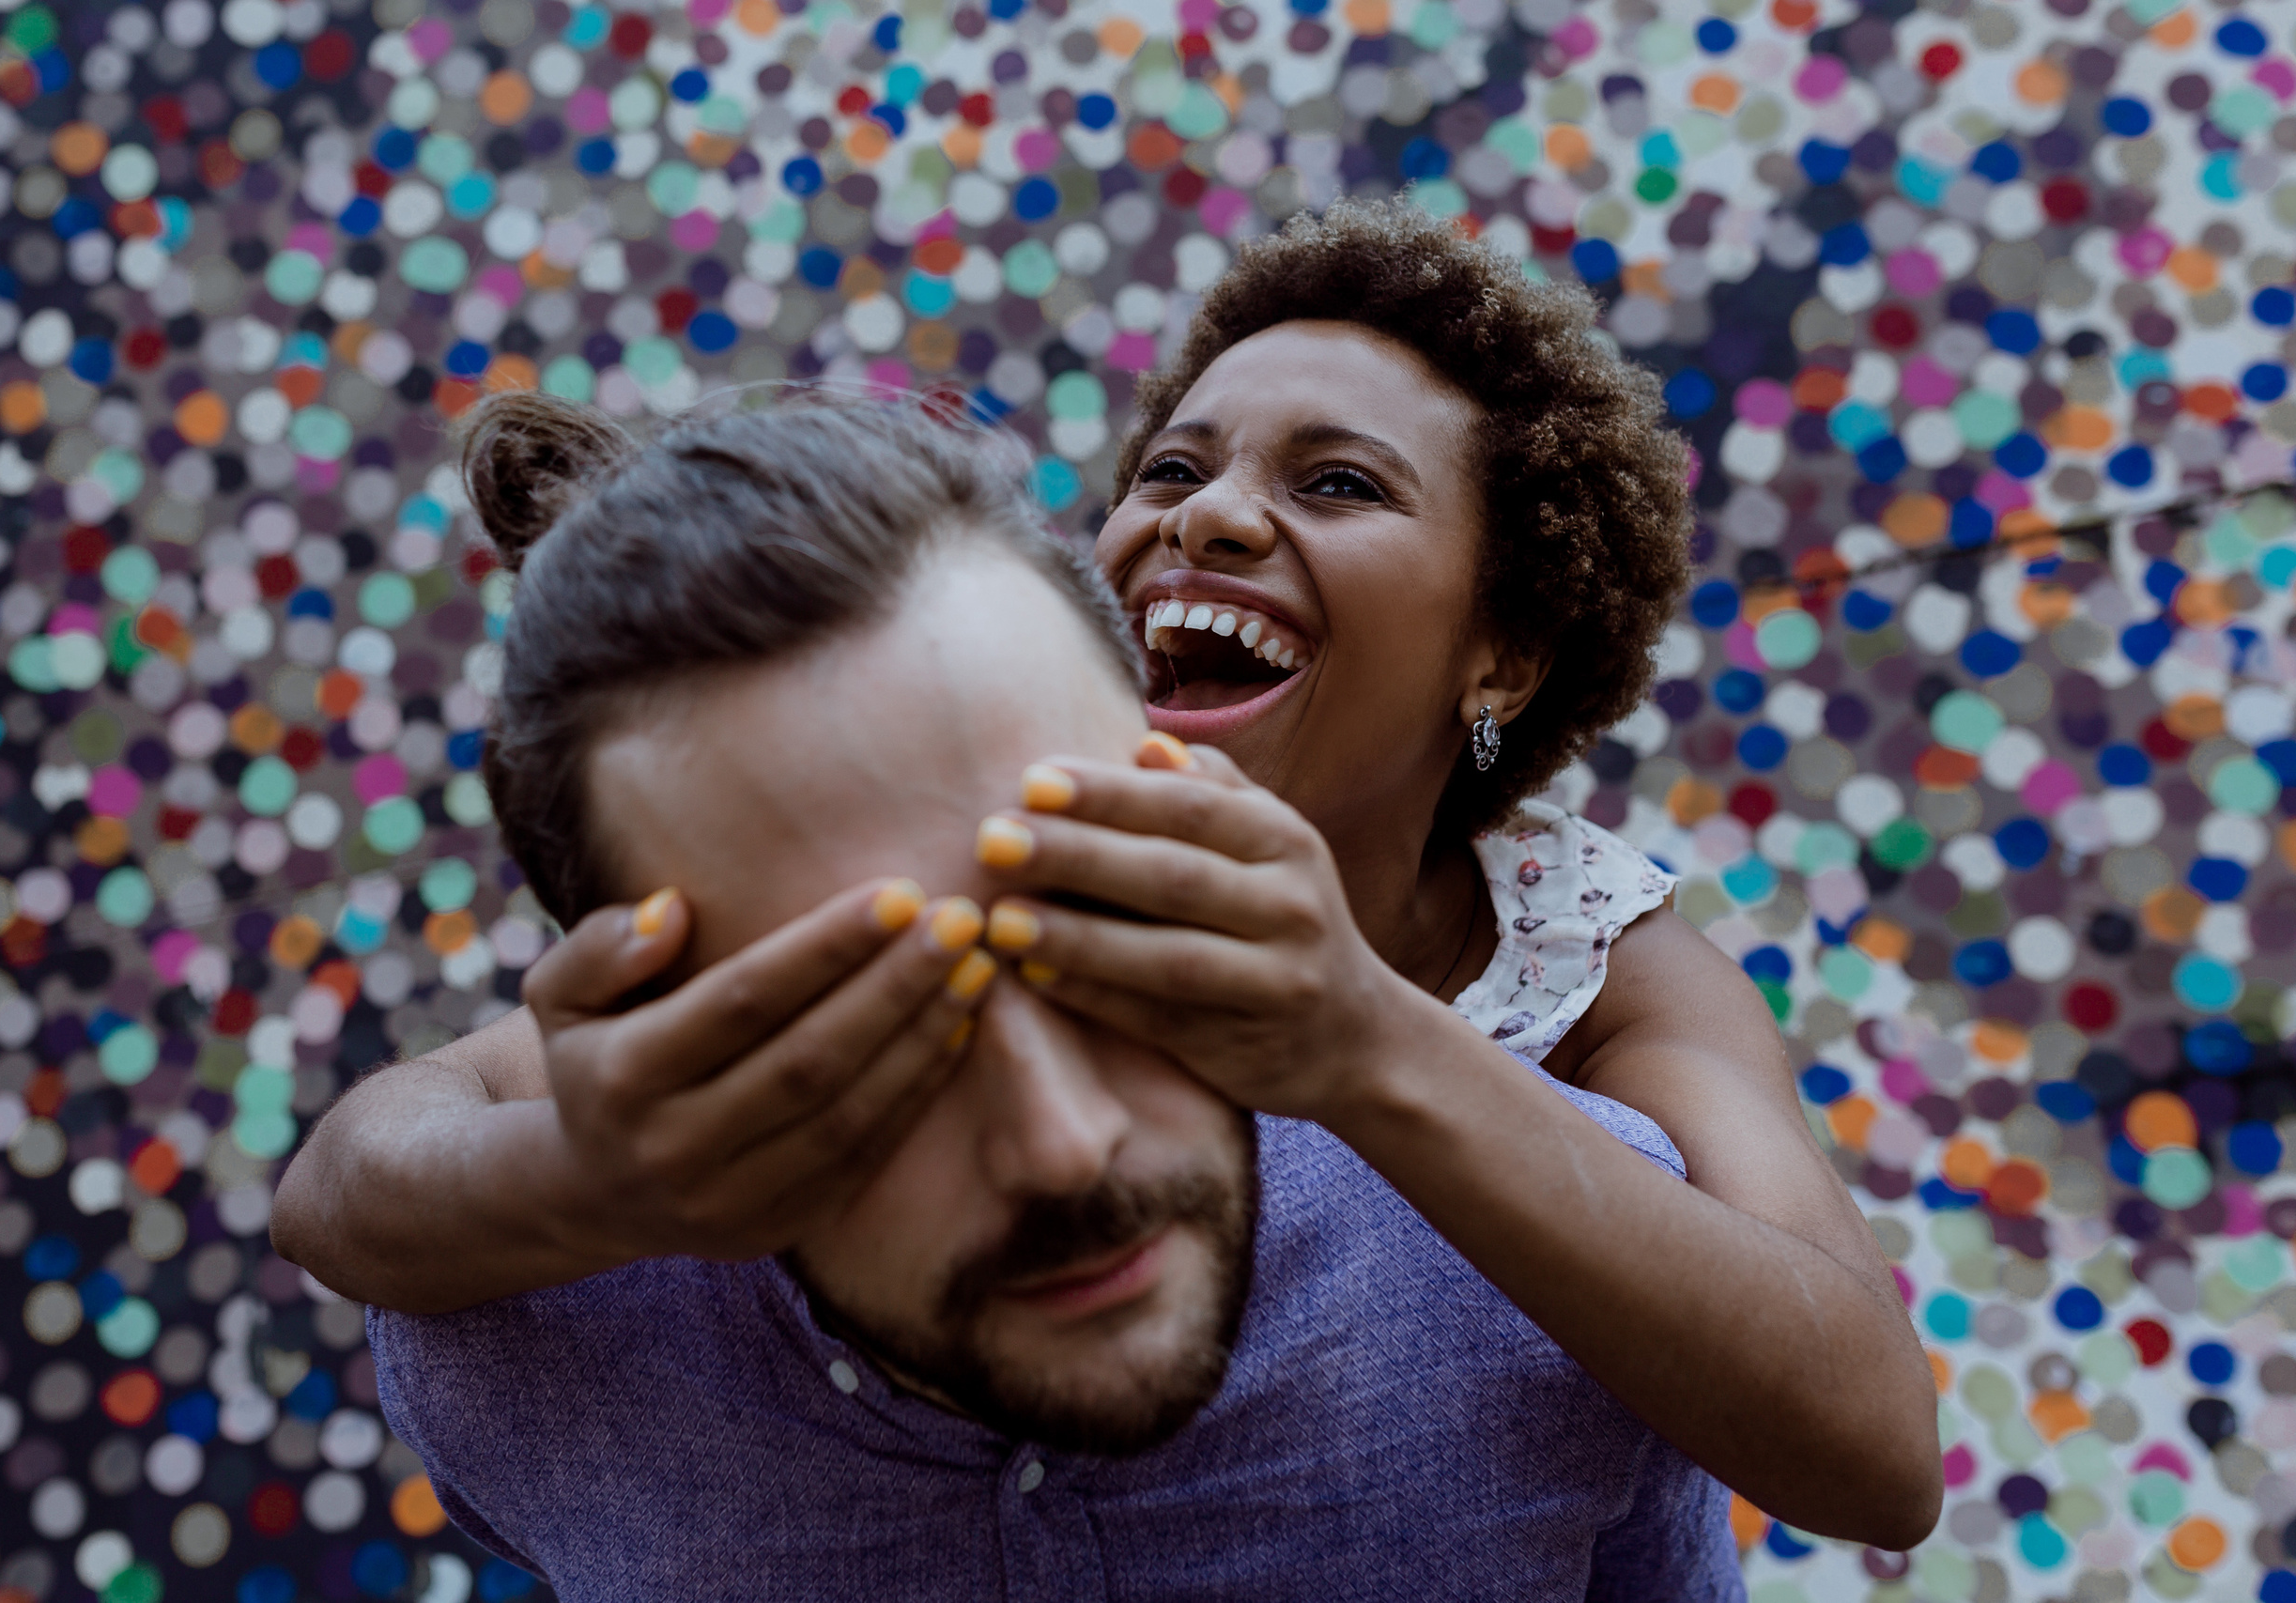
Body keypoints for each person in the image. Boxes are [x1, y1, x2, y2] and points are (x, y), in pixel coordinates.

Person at [281, 202, 1941, 1546]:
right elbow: (366, 1167)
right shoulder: (983, 793)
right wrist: (593, 1182)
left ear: (1499, 652)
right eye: (1170, 469)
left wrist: (1368, 1043)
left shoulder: (1595, 965)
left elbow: (1867, 1446)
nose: (1212, 518)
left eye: (1338, 482)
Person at [366, 393, 1746, 1596]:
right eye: (868, 1032)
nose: (1062, 1145)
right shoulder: (523, 1349)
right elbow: (362, 1178)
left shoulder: (1576, 1275)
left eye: (1095, 931)